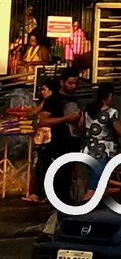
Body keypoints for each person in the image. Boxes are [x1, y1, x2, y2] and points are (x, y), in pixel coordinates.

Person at [35, 74, 83, 204]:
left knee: (69, 176)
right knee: (59, 176)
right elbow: (43, 120)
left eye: (75, 84)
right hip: (59, 143)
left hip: (73, 141)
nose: (73, 86)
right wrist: (65, 119)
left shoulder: (74, 100)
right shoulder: (53, 99)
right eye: (70, 83)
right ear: (62, 82)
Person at [80, 84, 121, 199]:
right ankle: (85, 206)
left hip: (88, 148)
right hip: (104, 149)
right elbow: (120, 132)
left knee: (94, 178)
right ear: (109, 96)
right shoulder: (112, 112)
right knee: (95, 185)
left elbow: (81, 126)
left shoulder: (87, 109)